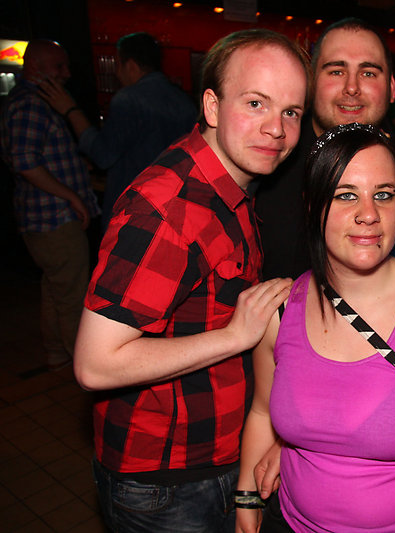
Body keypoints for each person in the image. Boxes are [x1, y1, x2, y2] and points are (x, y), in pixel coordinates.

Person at [72, 29, 309, 532]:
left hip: (212, 455)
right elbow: (95, 363)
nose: (276, 129)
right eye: (256, 103)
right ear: (212, 106)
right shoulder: (168, 208)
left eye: (291, 112)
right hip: (166, 481)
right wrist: (234, 336)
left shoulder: (229, 184)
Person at [236, 123, 395, 533]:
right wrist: (246, 502)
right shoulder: (280, 312)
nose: (369, 214)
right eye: (345, 195)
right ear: (312, 205)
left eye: (383, 194)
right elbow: (262, 412)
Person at [254, 17, 395, 280]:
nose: (351, 88)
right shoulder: (263, 171)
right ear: (310, 84)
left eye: (368, 73)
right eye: (336, 72)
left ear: (391, 88)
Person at [1, 39, 100, 372]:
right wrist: (72, 196)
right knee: (72, 294)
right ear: (36, 67)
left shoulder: (29, 102)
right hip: (53, 219)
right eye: (59, 66)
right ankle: (82, 367)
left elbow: (34, 157)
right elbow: (25, 162)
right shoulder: (31, 104)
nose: (67, 74)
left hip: (43, 219)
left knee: (55, 288)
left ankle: (58, 352)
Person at [39, 32, 197, 230]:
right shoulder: (184, 101)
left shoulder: (128, 99)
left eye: (117, 65)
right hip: (174, 208)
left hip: (134, 212)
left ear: (130, 65)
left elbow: (103, 155)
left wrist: (71, 110)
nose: (116, 73)